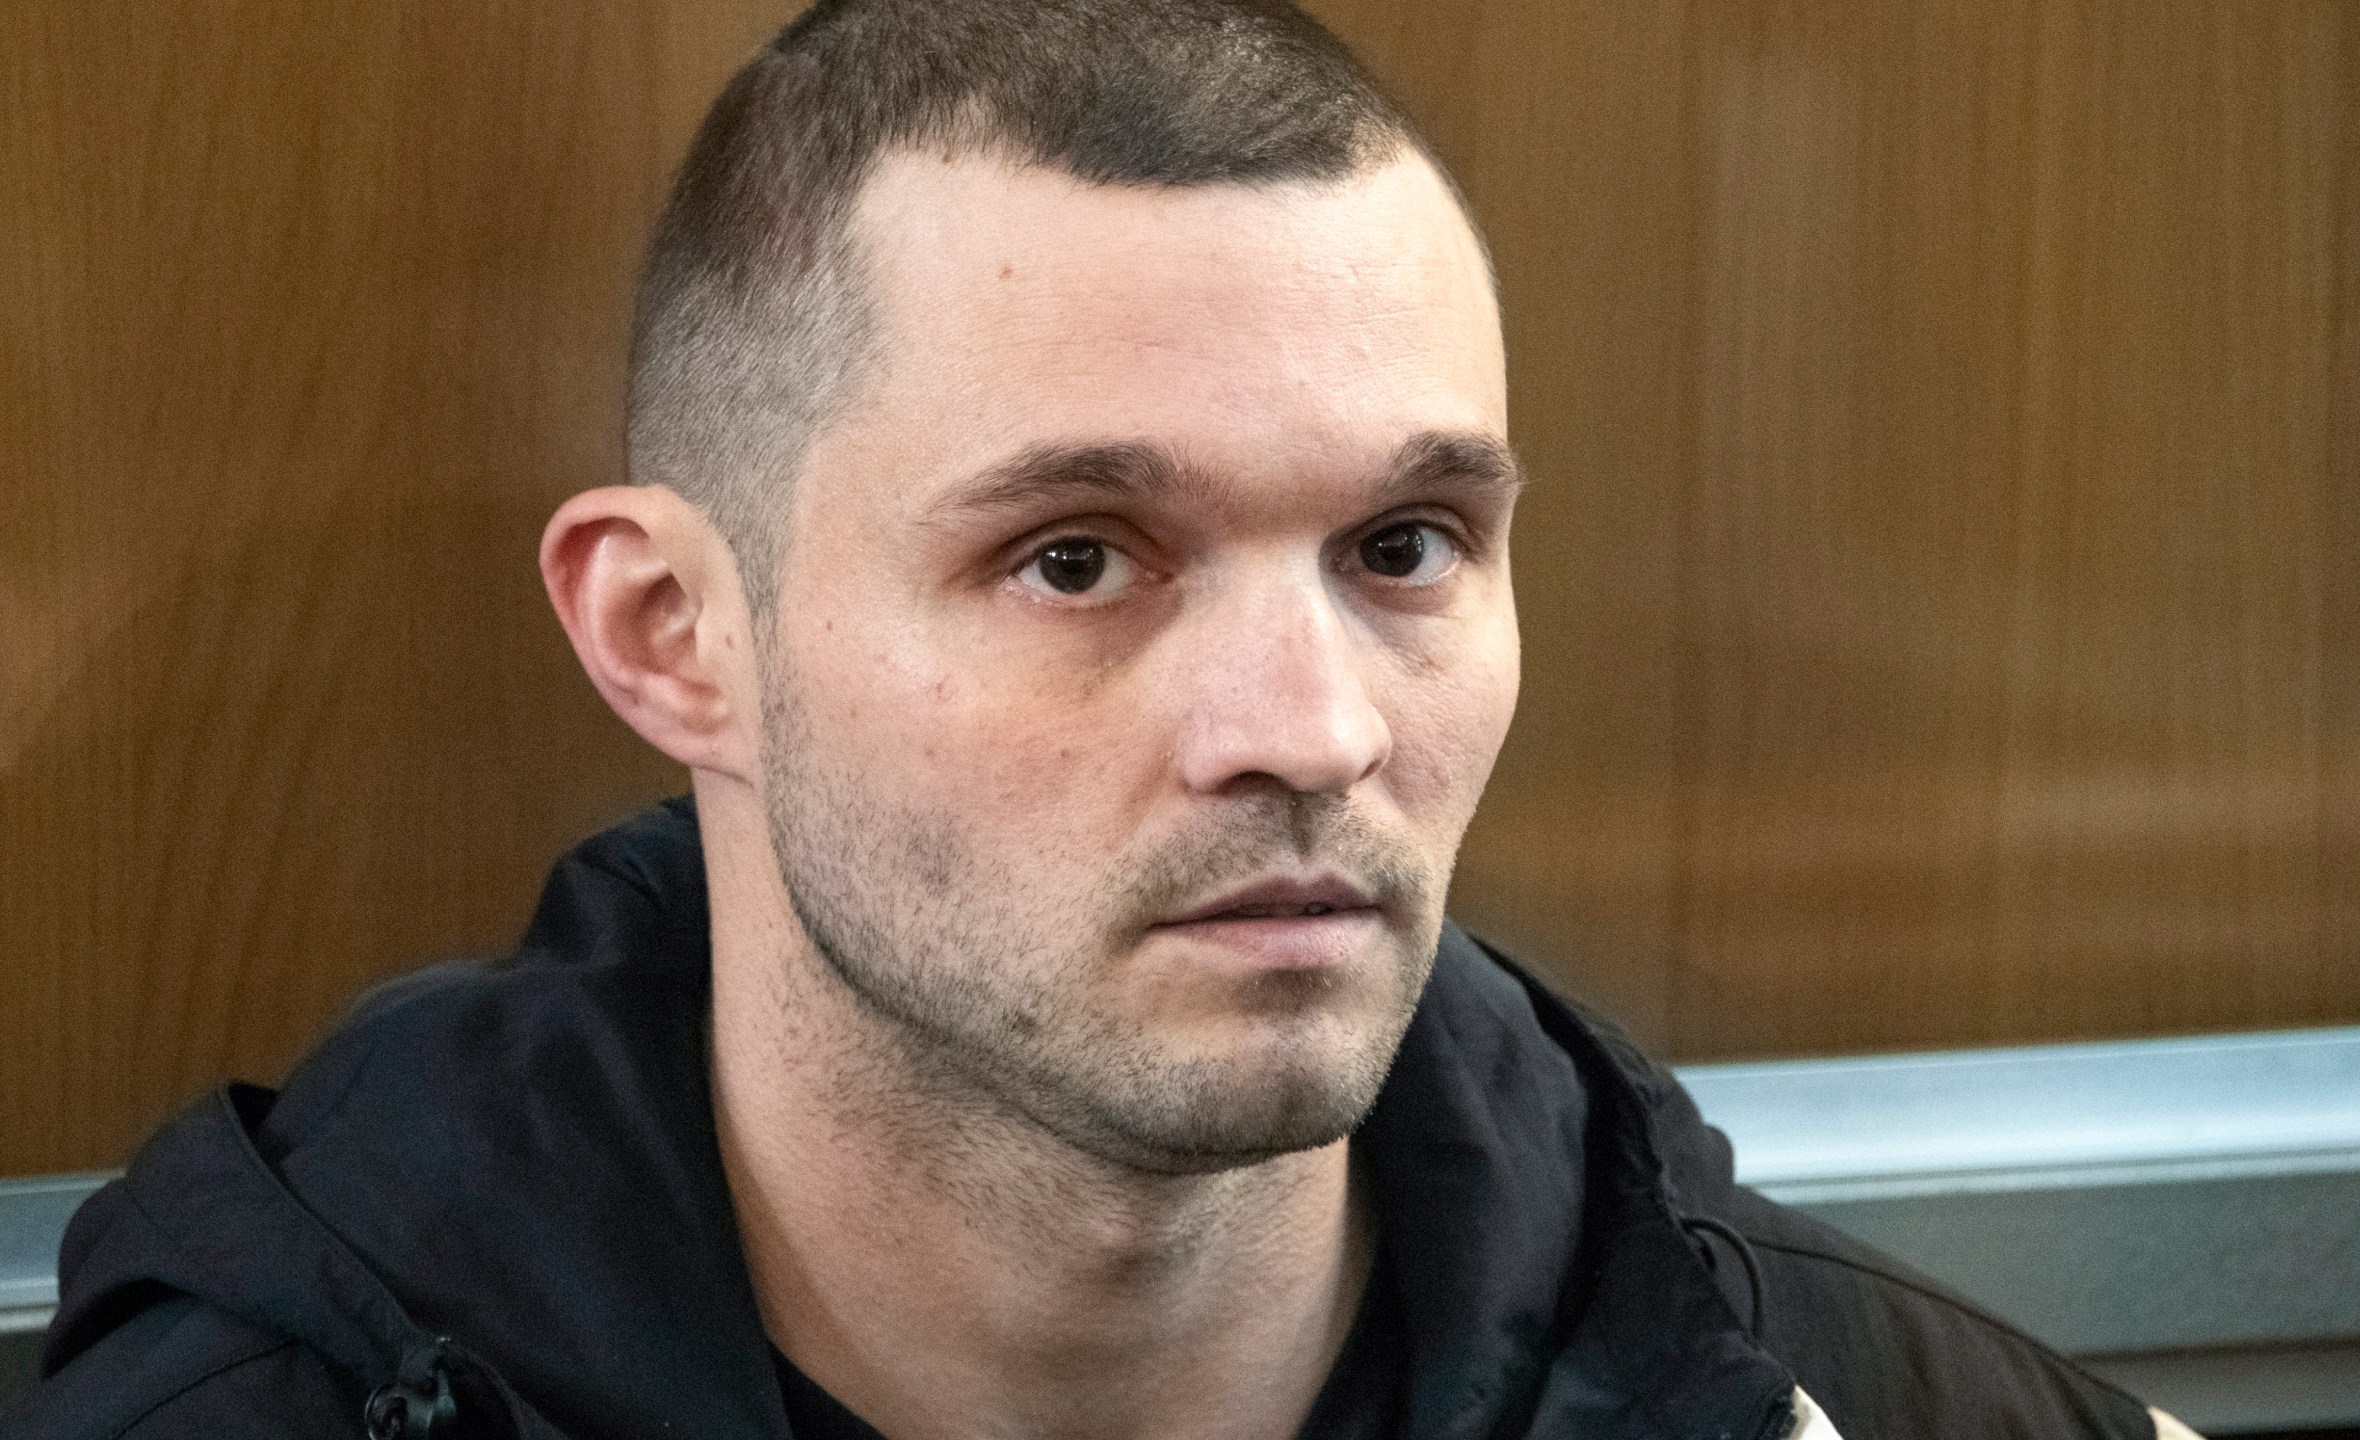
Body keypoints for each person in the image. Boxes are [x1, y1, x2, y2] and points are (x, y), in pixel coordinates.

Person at [7, 3, 2200, 1438]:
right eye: (1076, 560)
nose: (1311, 728)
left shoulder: (1820, 1402)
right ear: (678, 631)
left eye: (1404, 546)